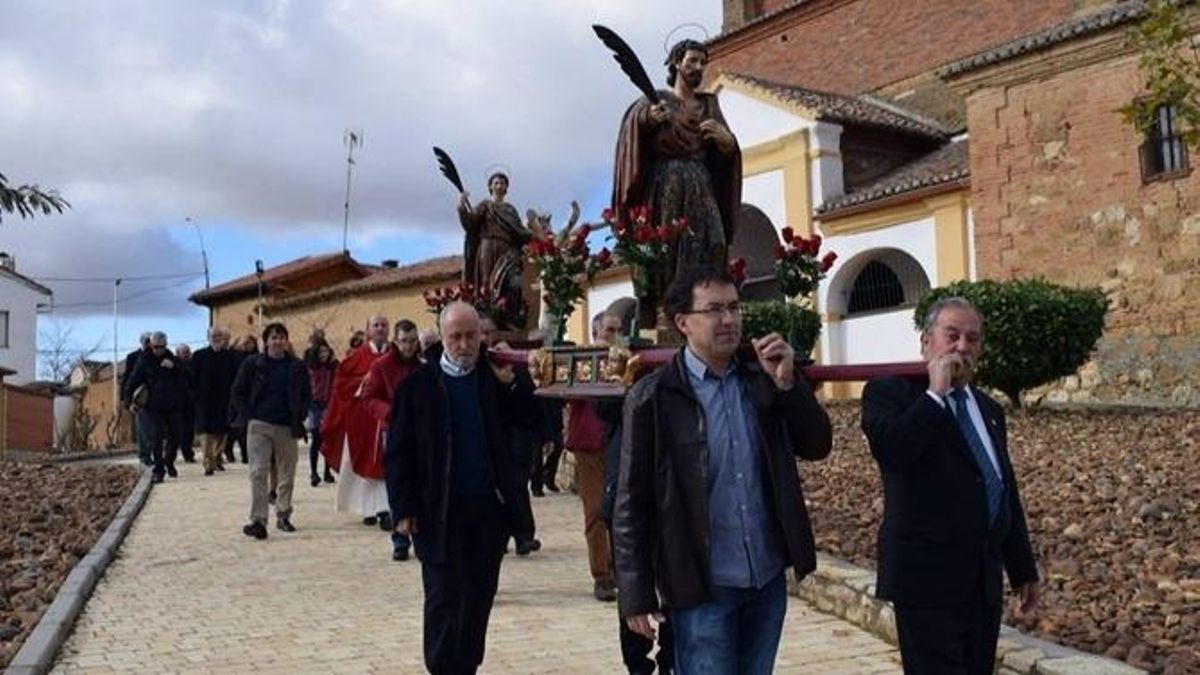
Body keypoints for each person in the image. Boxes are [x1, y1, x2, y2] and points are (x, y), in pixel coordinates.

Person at [614, 266, 832, 674]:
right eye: (714, 310)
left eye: (734, 307)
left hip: (765, 579)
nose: (729, 319)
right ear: (683, 322)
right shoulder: (653, 398)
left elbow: (817, 445)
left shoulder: (762, 380)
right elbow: (630, 504)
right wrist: (635, 593)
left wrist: (791, 387)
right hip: (701, 586)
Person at [860, 297, 1039, 675]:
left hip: (981, 582)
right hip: (926, 580)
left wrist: (1022, 568)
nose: (962, 347)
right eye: (952, 335)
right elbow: (893, 450)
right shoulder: (889, 394)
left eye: (972, 339)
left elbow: (1003, 489)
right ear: (927, 342)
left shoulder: (988, 410)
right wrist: (935, 395)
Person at [385, 301, 539, 675]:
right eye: (457, 337)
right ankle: (441, 667)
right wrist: (403, 508)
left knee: (478, 598)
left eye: (472, 336)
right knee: (442, 598)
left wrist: (515, 384)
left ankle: (466, 666)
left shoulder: (496, 380)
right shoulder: (417, 387)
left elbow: (533, 421)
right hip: (437, 511)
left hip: (488, 510)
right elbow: (398, 452)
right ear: (443, 338)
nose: (465, 344)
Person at [611, 39, 742, 330]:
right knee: (669, 249)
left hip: (701, 183)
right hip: (667, 184)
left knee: (715, 242)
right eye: (693, 60)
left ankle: (705, 306)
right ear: (676, 63)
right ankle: (668, 314)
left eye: (703, 63)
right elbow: (630, 136)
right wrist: (646, 120)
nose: (699, 68)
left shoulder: (709, 104)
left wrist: (727, 143)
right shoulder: (655, 99)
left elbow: (726, 152)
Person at [231, 322, 311, 539]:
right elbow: (237, 392)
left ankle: (283, 514)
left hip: (287, 426)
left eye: (281, 337)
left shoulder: (297, 366)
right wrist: (248, 414)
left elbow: (306, 394)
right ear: (266, 341)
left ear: (287, 341)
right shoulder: (253, 364)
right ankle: (258, 520)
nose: (278, 341)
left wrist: (300, 414)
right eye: (274, 337)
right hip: (259, 424)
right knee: (258, 472)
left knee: (287, 472)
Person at [564, 311, 623, 602]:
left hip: (619, 440)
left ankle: (620, 568)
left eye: (618, 330)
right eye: (609, 329)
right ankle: (602, 575)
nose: (614, 335)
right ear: (595, 331)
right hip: (590, 440)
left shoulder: (625, 356)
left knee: (620, 507)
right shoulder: (583, 358)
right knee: (596, 510)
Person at [322, 315, 393, 529]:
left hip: (385, 418)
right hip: (360, 419)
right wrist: (365, 380)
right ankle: (366, 509)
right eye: (376, 325)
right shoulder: (356, 357)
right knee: (359, 462)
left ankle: (383, 509)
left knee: (383, 463)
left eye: (384, 325)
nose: (380, 329)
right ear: (368, 330)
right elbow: (341, 383)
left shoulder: (394, 356)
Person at [479, 314, 542, 556]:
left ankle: (523, 535)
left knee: (516, 484)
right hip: (491, 431)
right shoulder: (476, 362)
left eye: (489, 332)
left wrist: (511, 378)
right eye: (481, 332)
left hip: (517, 431)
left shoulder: (510, 358)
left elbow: (529, 393)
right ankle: (501, 534)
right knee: (496, 486)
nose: (486, 337)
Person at [362, 318, 423, 561]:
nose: (408, 346)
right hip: (395, 431)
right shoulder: (381, 367)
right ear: (395, 342)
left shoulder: (423, 366)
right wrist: (390, 413)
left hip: (421, 433)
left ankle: (420, 536)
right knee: (397, 484)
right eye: (404, 341)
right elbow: (368, 397)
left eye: (412, 341)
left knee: (420, 485)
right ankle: (399, 538)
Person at [457, 172, 533, 325]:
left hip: (507, 251)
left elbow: (520, 231)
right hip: (487, 247)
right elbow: (470, 224)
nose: (499, 185)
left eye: (502, 183)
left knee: (512, 282)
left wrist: (536, 235)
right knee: (488, 284)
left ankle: (509, 316)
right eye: (496, 182)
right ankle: (489, 317)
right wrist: (462, 207)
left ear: (506, 188)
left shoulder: (510, 210)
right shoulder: (485, 206)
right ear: (490, 187)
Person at [124, 332, 189, 483]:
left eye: (161, 347)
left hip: (172, 404)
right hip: (153, 406)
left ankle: (168, 460)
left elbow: (186, 374)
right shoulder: (144, 360)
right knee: (156, 437)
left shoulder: (171, 357)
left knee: (176, 437)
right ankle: (158, 469)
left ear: (166, 346)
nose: (157, 350)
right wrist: (128, 401)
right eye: (155, 347)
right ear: (150, 345)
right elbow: (132, 381)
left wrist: (174, 367)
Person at [190, 327, 239, 476]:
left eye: (219, 335)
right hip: (204, 401)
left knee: (223, 433)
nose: (217, 338)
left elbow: (236, 377)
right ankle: (208, 463)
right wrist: (195, 395)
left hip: (224, 400)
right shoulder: (199, 356)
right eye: (214, 335)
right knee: (206, 434)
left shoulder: (230, 356)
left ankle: (217, 457)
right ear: (208, 337)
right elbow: (192, 377)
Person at [305, 338, 338, 487]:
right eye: (321, 351)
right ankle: (313, 472)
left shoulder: (331, 366)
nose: (324, 354)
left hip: (328, 404)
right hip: (314, 405)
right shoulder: (310, 367)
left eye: (326, 351)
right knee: (316, 439)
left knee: (327, 439)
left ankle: (326, 471)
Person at [224, 334, 259, 465]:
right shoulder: (236, 356)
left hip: (252, 395)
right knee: (236, 427)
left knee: (245, 427)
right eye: (246, 343)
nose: (248, 345)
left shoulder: (258, 357)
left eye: (251, 343)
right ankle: (230, 449)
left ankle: (246, 454)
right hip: (237, 394)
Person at [120, 332, 153, 466]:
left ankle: (150, 453)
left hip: (155, 397)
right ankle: (144, 454)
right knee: (142, 428)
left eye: (150, 341)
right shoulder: (133, 357)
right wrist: (125, 399)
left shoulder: (155, 356)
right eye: (146, 341)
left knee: (152, 428)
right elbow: (128, 379)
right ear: (141, 342)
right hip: (139, 398)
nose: (148, 343)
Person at [173, 343, 196, 463]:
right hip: (177, 402)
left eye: (188, 351)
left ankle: (188, 453)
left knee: (189, 429)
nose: (187, 354)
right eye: (184, 352)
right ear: (177, 353)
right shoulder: (173, 364)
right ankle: (179, 451)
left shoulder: (192, 364)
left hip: (190, 401)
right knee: (179, 429)